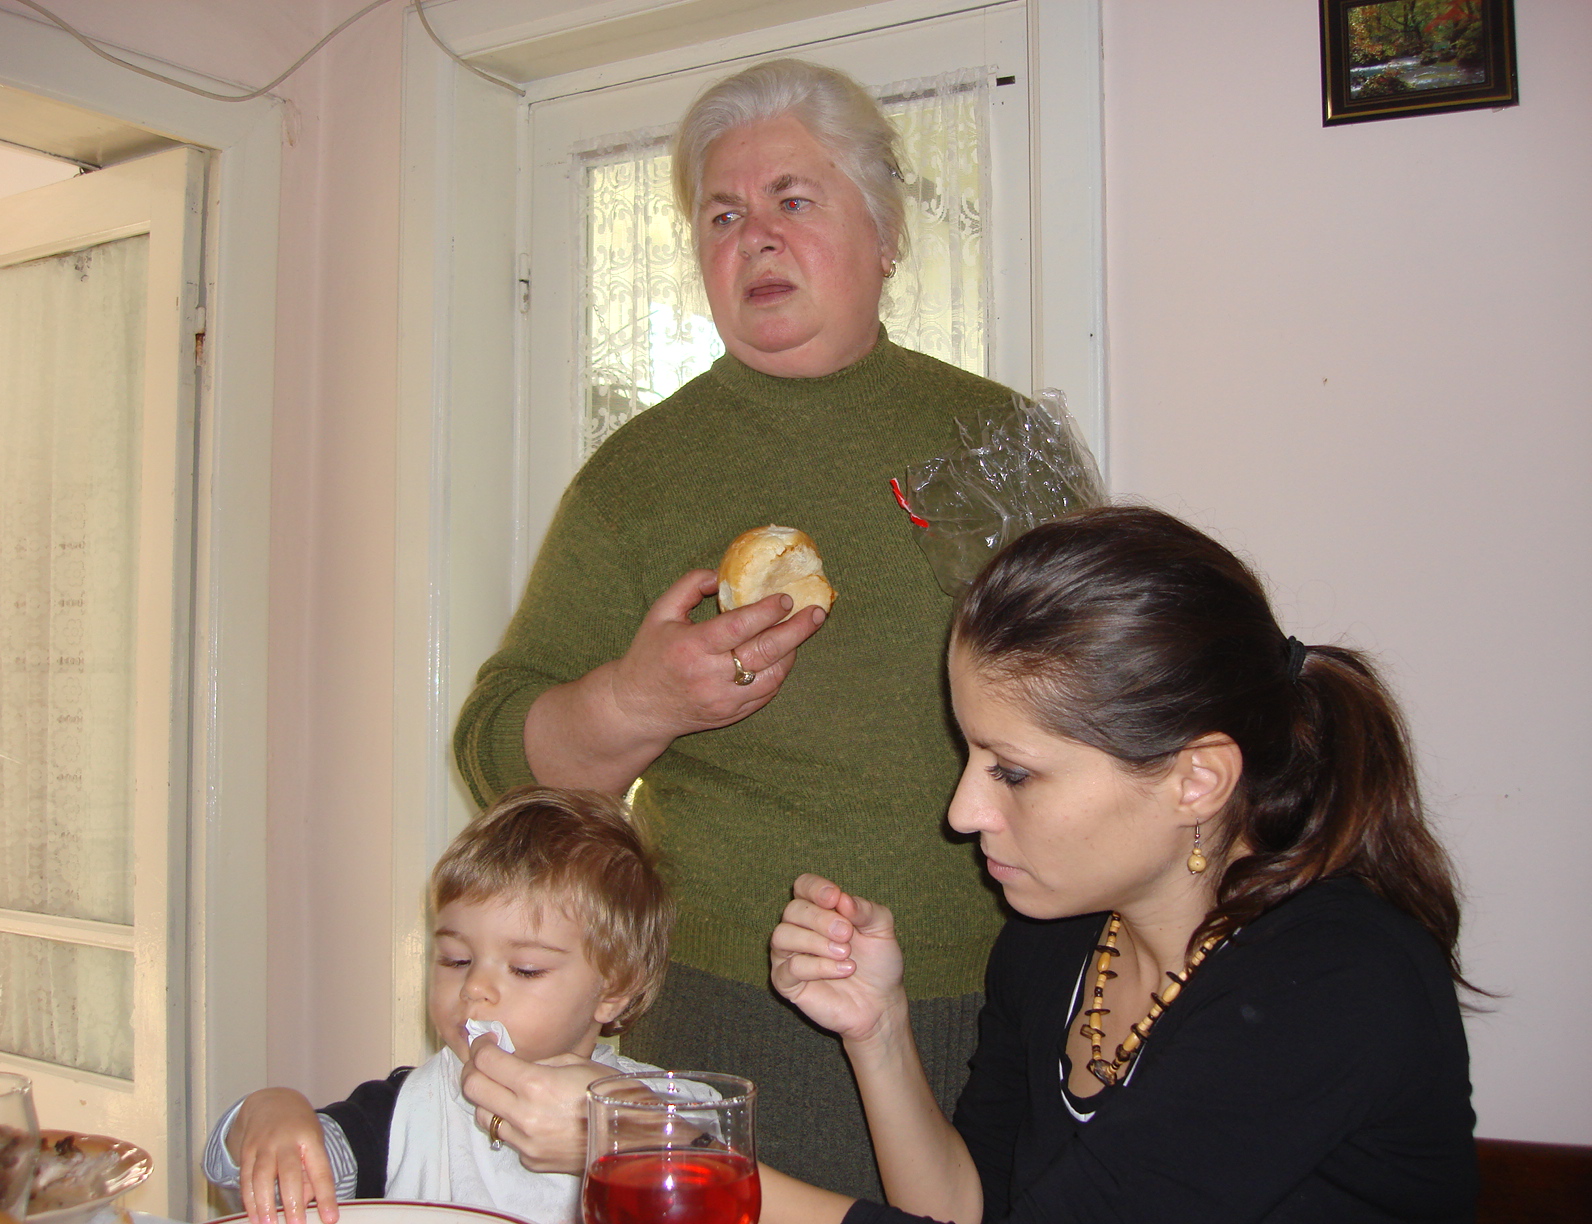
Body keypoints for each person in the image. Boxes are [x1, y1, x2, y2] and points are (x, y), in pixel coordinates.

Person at [454, 59, 1017, 1195]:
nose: (754, 237)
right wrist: (638, 701)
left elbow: (1123, 717)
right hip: (722, 1025)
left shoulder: (1001, 446)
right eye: (722, 216)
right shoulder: (635, 480)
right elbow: (495, 755)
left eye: (793, 200)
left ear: (884, 232)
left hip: (1008, 996)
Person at [764, 505, 1478, 1224]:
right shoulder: (1052, 940)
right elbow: (971, 1210)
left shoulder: (1335, 981)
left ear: (1195, 781)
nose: (962, 812)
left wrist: (720, 1184)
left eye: (1014, 772)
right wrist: (879, 1032)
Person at [201, 787, 673, 1224]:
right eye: (456, 959)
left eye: (524, 968)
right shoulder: (402, 1112)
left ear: (614, 990)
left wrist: (638, 1144)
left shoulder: (671, 1115)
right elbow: (293, 1189)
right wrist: (265, 1115)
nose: (474, 987)